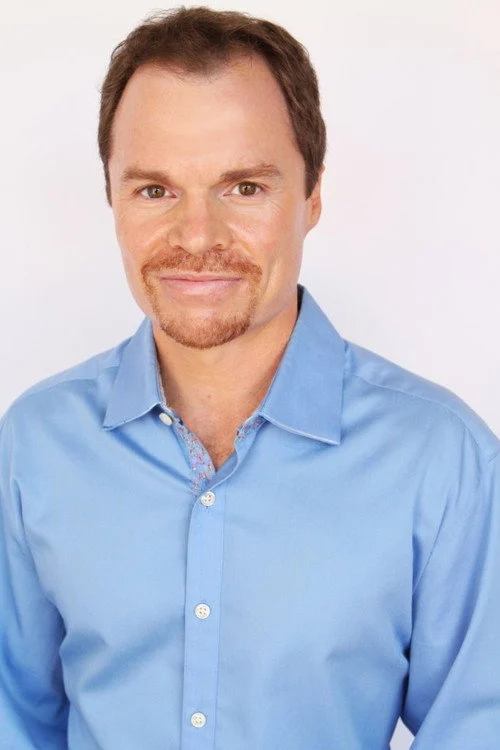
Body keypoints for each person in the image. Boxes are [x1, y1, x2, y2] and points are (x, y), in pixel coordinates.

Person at [0, 6, 498, 749]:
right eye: (155, 190)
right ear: (111, 198)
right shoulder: (35, 446)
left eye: (243, 187)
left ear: (312, 195)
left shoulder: (443, 460)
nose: (197, 236)